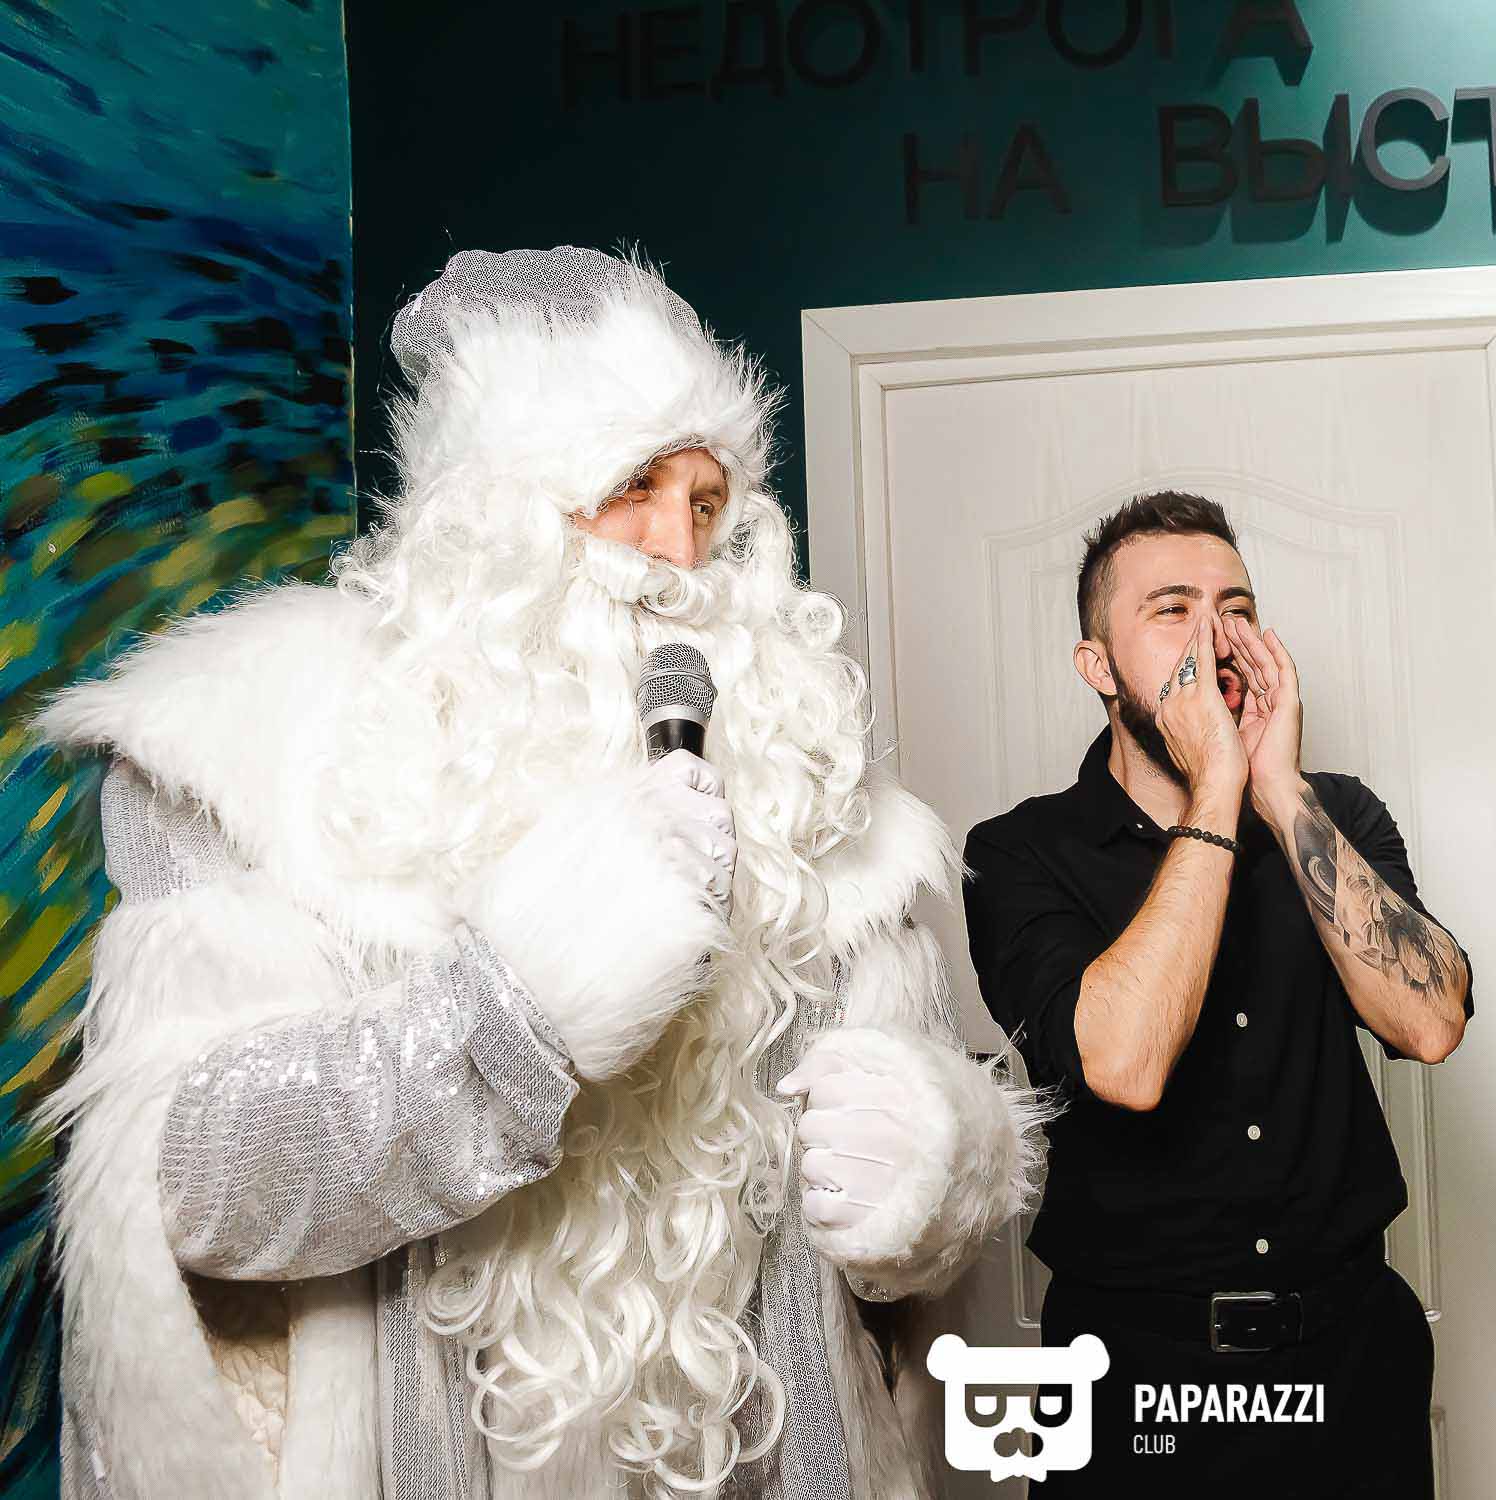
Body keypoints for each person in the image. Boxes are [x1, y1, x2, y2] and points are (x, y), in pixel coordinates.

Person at [31, 246, 1048, 1500]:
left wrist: (938, 1170)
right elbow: (195, 1185)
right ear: (495, 510)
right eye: (631, 488)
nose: (679, 552)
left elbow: (918, 1247)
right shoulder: (263, 771)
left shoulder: (820, 800)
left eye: (707, 500)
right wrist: (510, 1023)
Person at [958, 492, 1471, 1498]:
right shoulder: (1018, 853)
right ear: (1097, 665)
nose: (1214, 640)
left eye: (1235, 609)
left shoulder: (1333, 813)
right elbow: (1125, 1064)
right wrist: (1216, 795)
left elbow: (1431, 1021)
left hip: (1351, 1361)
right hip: (1135, 1377)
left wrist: (1276, 789)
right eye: (1171, 610)